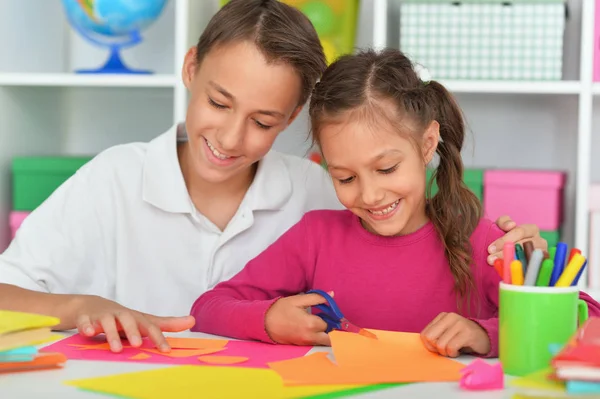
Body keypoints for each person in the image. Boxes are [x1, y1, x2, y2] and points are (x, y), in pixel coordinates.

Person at [0, 0, 543, 353]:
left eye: (263, 121)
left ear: (291, 121)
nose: (233, 138)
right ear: (190, 70)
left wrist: (520, 269)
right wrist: (77, 306)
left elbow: (557, 309)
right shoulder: (112, 179)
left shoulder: (323, 193)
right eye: (218, 101)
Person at [190, 48, 600, 358]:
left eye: (386, 169)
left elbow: (588, 323)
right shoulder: (315, 236)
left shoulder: (480, 241)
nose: (368, 196)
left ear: (426, 145)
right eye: (344, 178)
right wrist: (268, 320)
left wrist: (486, 334)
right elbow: (208, 307)